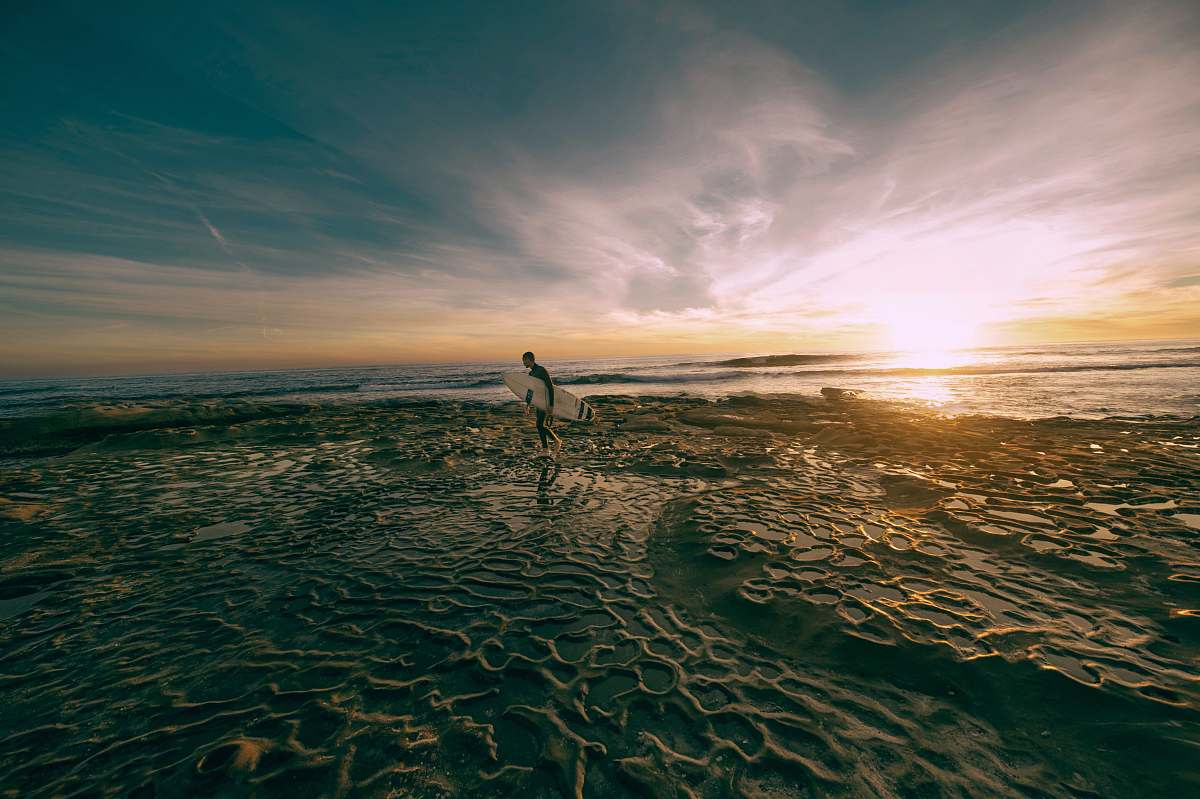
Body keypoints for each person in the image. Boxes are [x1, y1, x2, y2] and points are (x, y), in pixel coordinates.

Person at [522, 351, 562, 456]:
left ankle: (553, 444)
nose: (523, 362)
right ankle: (549, 447)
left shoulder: (541, 370)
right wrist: (527, 405)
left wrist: (551, 405)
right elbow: (531, 391)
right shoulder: (531, 373)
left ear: (529, 359)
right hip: (538, 402)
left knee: (539, 425)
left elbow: (550, 387)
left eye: (524, 360)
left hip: (545, 401)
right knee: (540, 425)